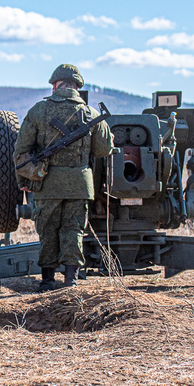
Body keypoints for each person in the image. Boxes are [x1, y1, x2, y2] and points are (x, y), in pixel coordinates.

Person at [14, 64, 114, 291]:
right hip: (79, 185)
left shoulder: (39, 111)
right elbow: (103, 150)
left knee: (48, 231)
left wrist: (25, 181)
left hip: (47, 184)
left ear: (54, 85)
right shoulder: (92, 114)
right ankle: (71, 282)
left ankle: (48, 281)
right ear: (78, 87)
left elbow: (21, 152)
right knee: (74, 230)